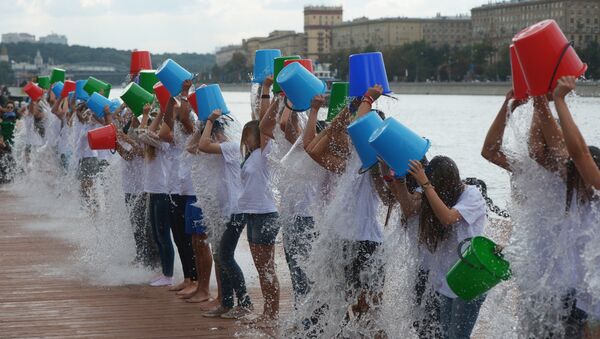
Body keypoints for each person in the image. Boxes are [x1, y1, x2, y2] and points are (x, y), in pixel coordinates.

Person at [304, 86, 394, 337]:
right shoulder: (350, 163)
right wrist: (351, 106)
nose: (350, 133)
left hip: (367, 241)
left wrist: (366, 100)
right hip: (343, 239)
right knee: (341, 304)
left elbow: (356, 130)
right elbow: (314, 149)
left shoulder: (377, 162)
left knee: (369, 310)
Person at [193, 109, 254, 319]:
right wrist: (206, 125)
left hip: (237, 212)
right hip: (229, 211)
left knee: (225, 256)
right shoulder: (230, 147)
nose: (214, 137)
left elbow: (202, 146)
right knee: (221, 255)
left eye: (215, 133)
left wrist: (209, 120)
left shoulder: (231, 146)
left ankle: (245, 303)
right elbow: (193, 147)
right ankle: (226, 303)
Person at [552, 76, 600, 338]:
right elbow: (566, 154)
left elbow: (579, 152)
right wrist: (540, 102)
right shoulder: (580, 198)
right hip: (584, 296)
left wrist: (559, 100)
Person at [237, 77, 281, 326]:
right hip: (252, 214)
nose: (244, 140)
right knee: (261, 268)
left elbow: (266, 122)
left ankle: (272, 315)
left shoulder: (265, 155)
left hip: (265, 214)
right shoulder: (252, 156)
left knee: (267, 269)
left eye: (247, 136)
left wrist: (267, 91)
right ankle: (267, 312)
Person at [158, 88, 199, 299]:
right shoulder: (175, 134)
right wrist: (168, 102)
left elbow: (183, 116)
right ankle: (187, 278)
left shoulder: (193, 130)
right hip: (174, 188)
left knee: (189, 238)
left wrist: (183, 93)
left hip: (189, 190)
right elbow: (164, 130)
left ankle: (196, 279)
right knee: (178, 238)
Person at [115, 105, 158, 268]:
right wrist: (116, 143)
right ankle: (141, 255)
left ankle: (152, 261)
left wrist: (129, 140)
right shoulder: (128, 137)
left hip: (143, 186)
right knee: (135, 224)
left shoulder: (144, 138)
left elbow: (141, 153)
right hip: (129, 186)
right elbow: (126, 156)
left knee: (146, 226)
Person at [138, 104, 174, 287]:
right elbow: (142, 134)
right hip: (153, 191)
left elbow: (143, 133)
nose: (152, 129)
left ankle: (168, 275)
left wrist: (159, 114)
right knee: (156, 235)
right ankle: (163, 271)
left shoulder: (163, 143)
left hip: (163, 192)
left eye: (156, 125)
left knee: (163, 235)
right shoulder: (151, 146)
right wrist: (150, 116)